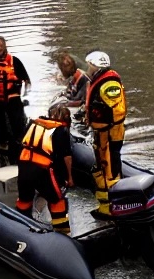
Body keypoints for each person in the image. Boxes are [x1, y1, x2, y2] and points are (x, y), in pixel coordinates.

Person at [16, 104, 74, 234]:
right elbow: (66, 158)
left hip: (23, 165)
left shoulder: (34, 123)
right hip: (42, 169)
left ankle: (20, 227)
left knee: (24, 199)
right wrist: (69, 178)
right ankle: (62, 232)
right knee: (57, 200)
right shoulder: (61, 130)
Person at [84, 50, 127, 217]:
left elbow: (117, 112)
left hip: (109, 134)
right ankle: (104, 208)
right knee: (101, 169)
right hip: (101, 133)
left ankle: (116, 207)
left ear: (95, 66)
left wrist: (105, 128)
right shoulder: (98, 81)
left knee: (110, 170)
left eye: (89, 65)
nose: (88, 69)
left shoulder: (109, 84)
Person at [0, 38, 31, 166]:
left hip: (13, 99)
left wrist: (24, 94)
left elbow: (26, 81)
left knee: (17, 127)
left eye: (0, 46)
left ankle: (19, 151)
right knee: (0, 129)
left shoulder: (14, 61)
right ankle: (5, 153)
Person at [55, 52, 90, 130]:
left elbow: (81, 101)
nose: (61, 72)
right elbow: (69, 92)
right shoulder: (75, 76)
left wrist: (64, 104)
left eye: (61, 69)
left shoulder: (82, 78)